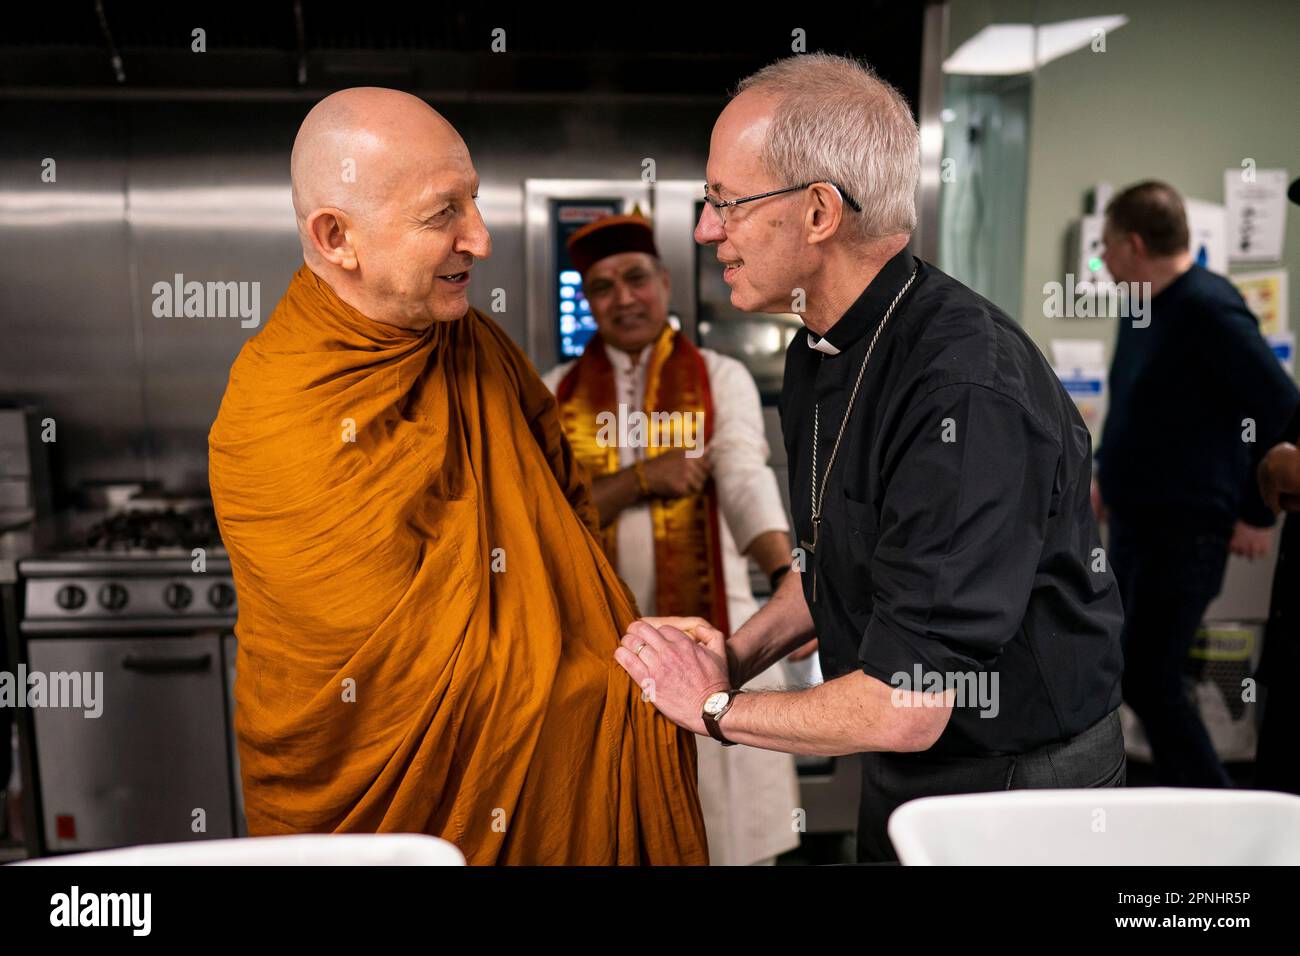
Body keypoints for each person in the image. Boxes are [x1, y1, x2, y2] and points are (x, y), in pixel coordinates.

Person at [614, 53, 1127, 864]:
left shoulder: (964, 389)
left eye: (725, 202)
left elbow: (904, 702)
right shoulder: (819, 349)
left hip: (1018, 783)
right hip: (909, 767)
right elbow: (834, 564)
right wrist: (736, 656)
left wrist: (712, 706)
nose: (709, 229)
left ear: (819, 212)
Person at [208, 87, 707, 865]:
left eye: (473, 201)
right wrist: (624, 677)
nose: (480, 238)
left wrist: (630, 644)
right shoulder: (278, 410)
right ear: (337, 237)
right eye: (443, 214)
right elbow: (400, 688)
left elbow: (562, 519)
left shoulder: (473, 344)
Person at [541, 213, 801, 865]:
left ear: (663, 282)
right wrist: (641, 479)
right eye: (602, 287)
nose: (623, 298)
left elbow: (744, 475)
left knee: (732, 826)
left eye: (636, 278)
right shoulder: (554, 393)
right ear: (588, 301)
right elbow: (552, 518)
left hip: (717, 632)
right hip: (603, 646)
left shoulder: (720, 375)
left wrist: (785, 575)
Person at [1094, 180, 1300, 787]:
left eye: (1105, 248)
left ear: (1134, 243)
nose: (1101, 261)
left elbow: (1281, 407)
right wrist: (1106, 472)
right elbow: (1130, 400)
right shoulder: (1141, 306)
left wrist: (1258, 513)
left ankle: (1219, 809)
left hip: (1187, 533)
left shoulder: (1208, 306)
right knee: (1131, 670)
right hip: (1135, 527)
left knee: (1149, 678)